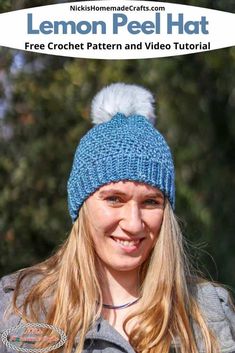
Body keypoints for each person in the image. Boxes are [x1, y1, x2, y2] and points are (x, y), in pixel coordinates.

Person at [0, 83, 235, 353]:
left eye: (151, 202)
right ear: (82, 204)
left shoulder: (209, 313)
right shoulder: (19, 308)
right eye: (114, 199)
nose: (134, 223)